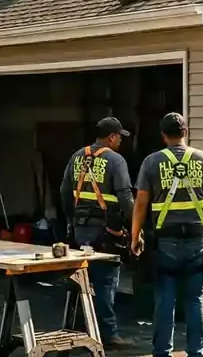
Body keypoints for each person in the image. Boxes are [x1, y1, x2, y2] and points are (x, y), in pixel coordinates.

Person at [130, 112, 203, 357]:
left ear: (164, 136)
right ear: (186, 132)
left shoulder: (152, 162)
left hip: (165, 243)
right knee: (195, 299)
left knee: (165, 300)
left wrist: (135, 236)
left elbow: (140, 204)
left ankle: (162, 352)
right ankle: (197, 352)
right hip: (197, 240)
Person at [59, 117, 135, 348]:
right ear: (111, 137)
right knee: (106, 282)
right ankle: (108, 334)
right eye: (119, 137)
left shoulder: (77, 157)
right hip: (106, 231)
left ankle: (80, 328)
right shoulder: (116, 160)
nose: (121, 141)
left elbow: (64, 191)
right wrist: (136, 227)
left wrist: (70, 221)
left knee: (82, 280)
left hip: (81, 229)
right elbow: (124, 196)